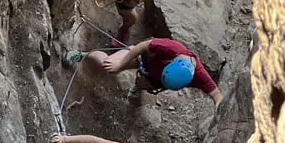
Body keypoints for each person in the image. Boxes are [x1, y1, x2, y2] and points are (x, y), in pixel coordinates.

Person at [73, 38, 223, 107]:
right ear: (170, 63)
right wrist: (120, 63)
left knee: (145, 84)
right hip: (142, 57)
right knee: (107, 64)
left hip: (154, 77)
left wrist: (219, 109)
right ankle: (84, 54)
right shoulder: (170, 48)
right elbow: (142, 46)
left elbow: (216, 94)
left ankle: (138, 87)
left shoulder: (200, 76)